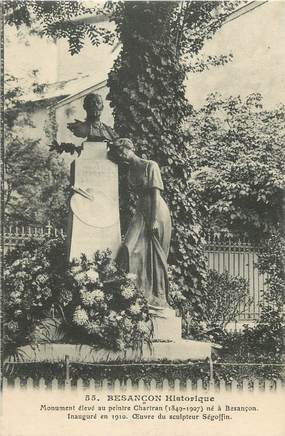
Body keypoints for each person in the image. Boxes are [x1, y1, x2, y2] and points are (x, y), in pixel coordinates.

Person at [113, 138, 172, 308]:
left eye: (121, 151)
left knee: (156, 254)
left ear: (130, 148)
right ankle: (137, 293)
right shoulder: (130, 171)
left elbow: (155, 194)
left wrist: (153, 220)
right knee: (128, 247)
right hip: (141, 211)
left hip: (157, 211)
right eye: (117, 153)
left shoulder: (150, 165)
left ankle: (158, 295)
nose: (120, 155)